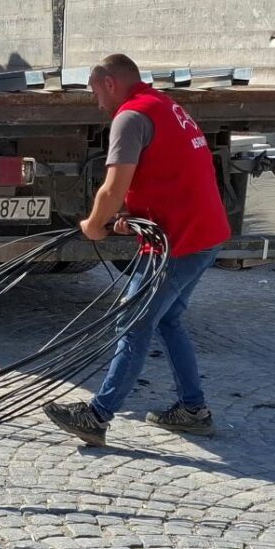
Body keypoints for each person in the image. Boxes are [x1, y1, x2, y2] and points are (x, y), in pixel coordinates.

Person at [43, 54, 233, 449]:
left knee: (133, 321)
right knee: (168, 320)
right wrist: (137, 215)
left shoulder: (129, 117)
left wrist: (94, 226)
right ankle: (193, 410)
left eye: (96, 92)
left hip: (180, 240)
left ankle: (97, 416)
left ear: (110, 83)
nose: (97, 103)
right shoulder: (164, 105)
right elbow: (170, 170)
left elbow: (111, 189)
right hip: (204, 233)